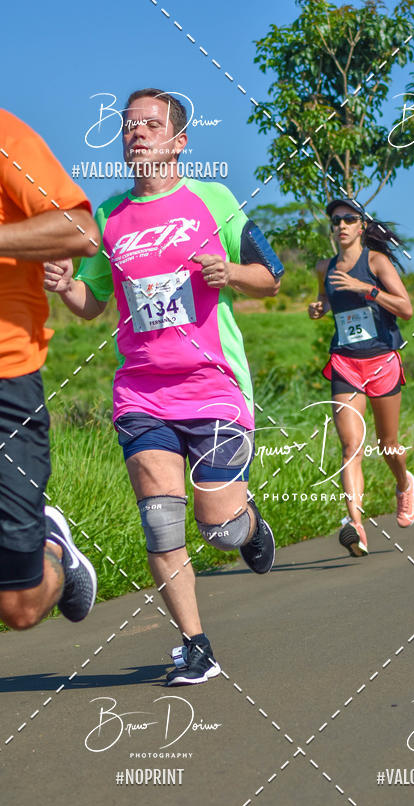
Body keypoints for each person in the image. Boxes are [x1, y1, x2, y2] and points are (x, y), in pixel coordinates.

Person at [44, 89, 283, 686]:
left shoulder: (213, 199)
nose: (137, 134)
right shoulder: (108, 216)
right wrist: (65, 284)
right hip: (142, 392)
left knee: (219, 527)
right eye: (129, 126)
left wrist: (233, 273)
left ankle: (249, 525)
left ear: (179, 141)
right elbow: (93, 303)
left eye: (151, 125)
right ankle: (196, 644)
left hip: (213, 385)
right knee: (159, 522)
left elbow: (270, 277)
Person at [0, 109, 100, 630]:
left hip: (6, 378)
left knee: (19, 607)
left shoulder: (5, 134)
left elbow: (79, 230)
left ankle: (53, 547)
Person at [308, 197, 414, 557]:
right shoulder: (325, 266)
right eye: (335, 220)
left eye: (348, 219)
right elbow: (327, 297)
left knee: (388, 445)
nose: (340, 225)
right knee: (350, 446)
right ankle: (355, 524)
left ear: (361, 226)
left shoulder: (376, 262)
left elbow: (406, 309)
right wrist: (319, 306)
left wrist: (366, 290)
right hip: (345, 362)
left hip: (382, 359)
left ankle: (403, 483)